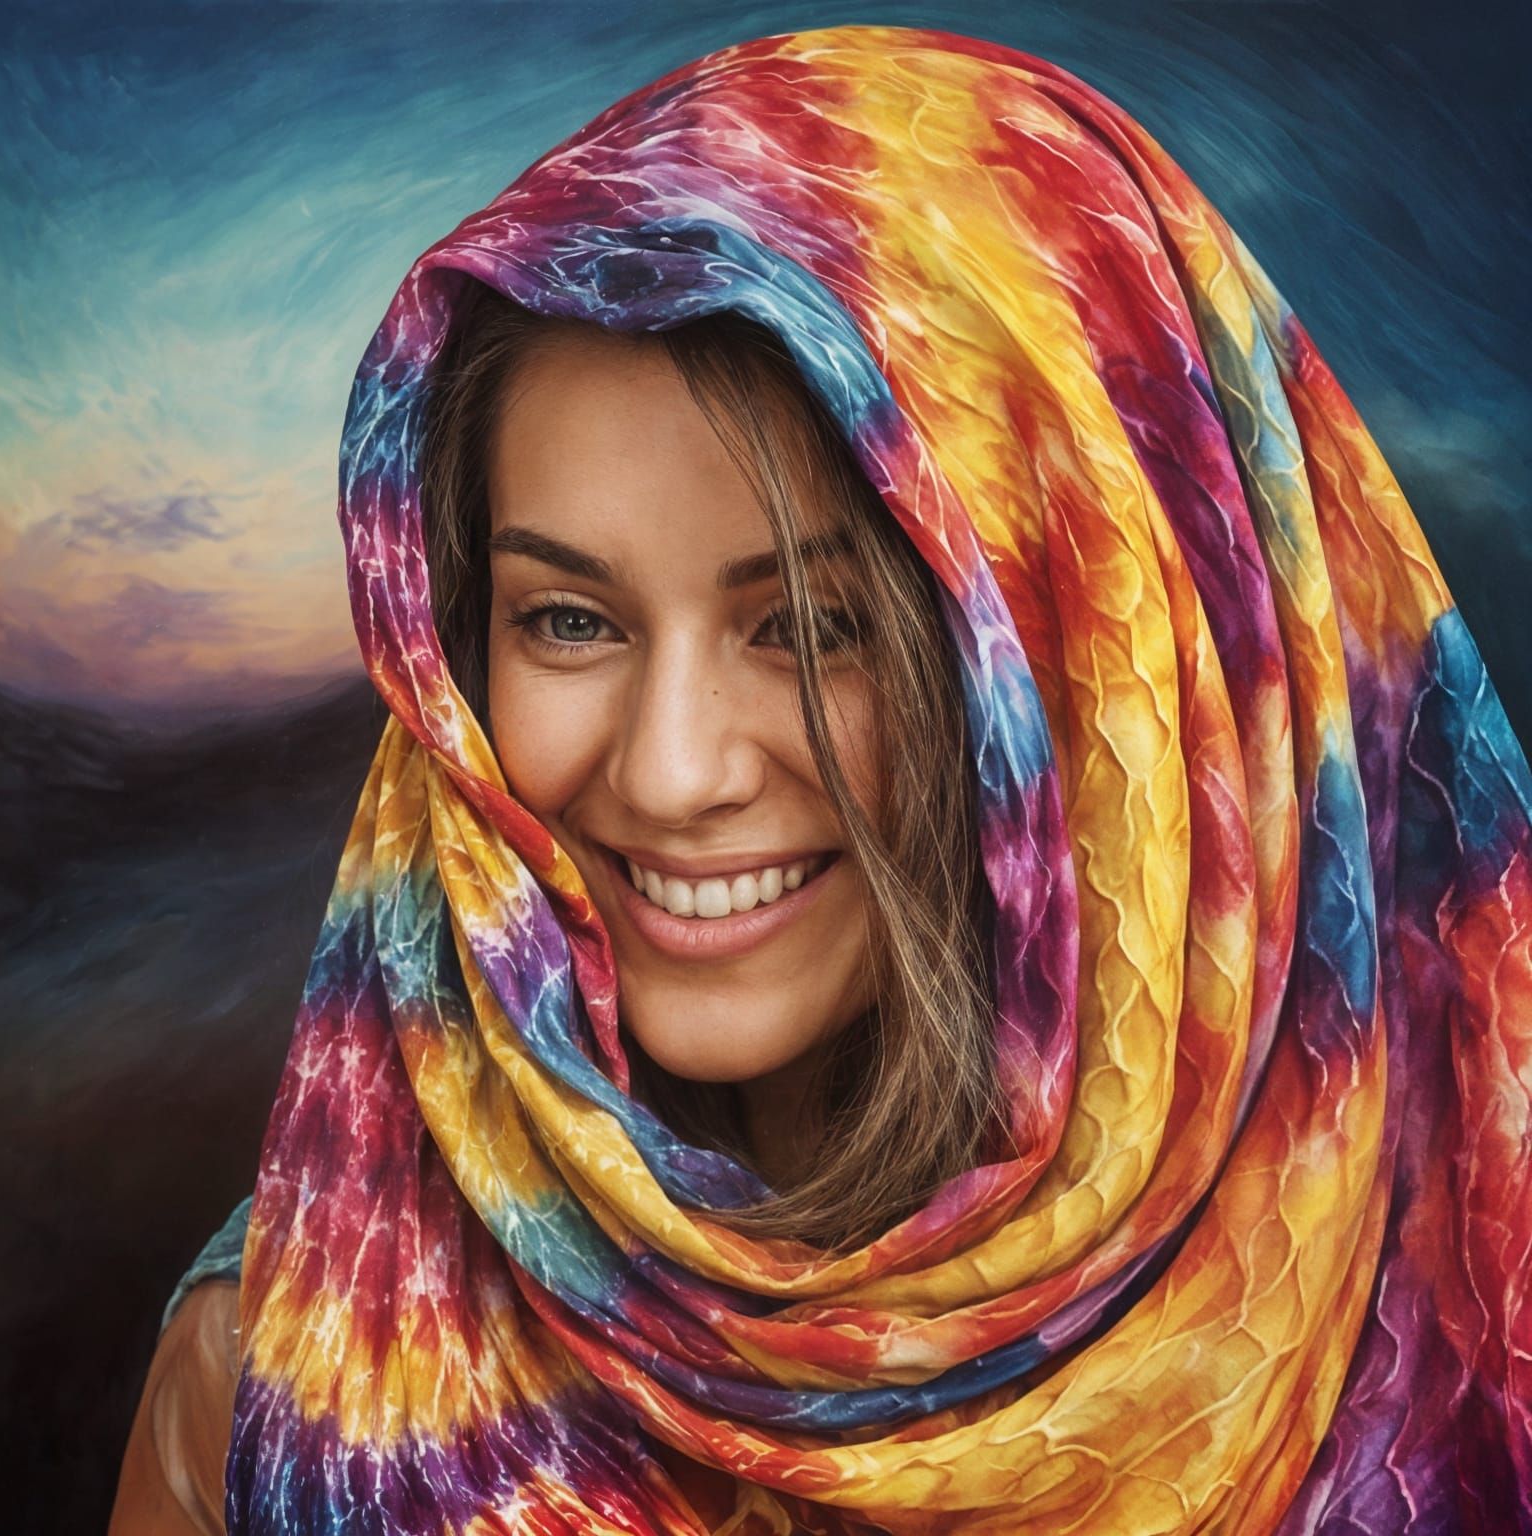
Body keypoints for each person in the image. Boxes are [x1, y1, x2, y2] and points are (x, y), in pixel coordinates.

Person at [112, 23, 1532, 1535]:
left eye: (814, 625)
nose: (670, 772)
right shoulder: (285, 1365)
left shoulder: (1470, 1272)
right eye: (568, 620)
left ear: (1100, 671)